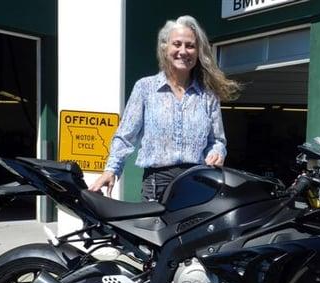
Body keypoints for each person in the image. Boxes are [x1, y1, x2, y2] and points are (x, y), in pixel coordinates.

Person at [89, 15, 240, 201]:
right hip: (156, 185)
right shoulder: (145, 88)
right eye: (177, 44)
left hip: (198, 184)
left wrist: (217, 152)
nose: (183, 51)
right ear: (165, 47)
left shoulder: (208, 95)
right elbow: (125, 136)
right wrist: (111, 170)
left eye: (190, 46)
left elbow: (217, 140)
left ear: (198, 52)